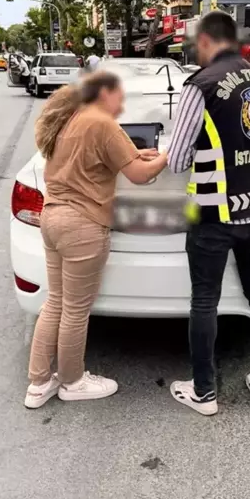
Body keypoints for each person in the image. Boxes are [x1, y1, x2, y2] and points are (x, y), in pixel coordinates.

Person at [25, 71, 168, 408]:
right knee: (75, 310)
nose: (121, 105)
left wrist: (139, 157)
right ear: (104, 93)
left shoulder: (69, 119)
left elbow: (115, 160)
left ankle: (38, 383)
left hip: (53, 219)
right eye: (119, 97)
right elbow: (139, 174)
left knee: (55, 302)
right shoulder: (102, 122)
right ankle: (73, 381)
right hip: (83, 226)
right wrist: (166, 155)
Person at [167, 11, 250, 416]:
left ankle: (204, 393)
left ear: (204, 42)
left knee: (205, 300)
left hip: (214, 214)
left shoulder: (200, 85)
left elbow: (178, 159)